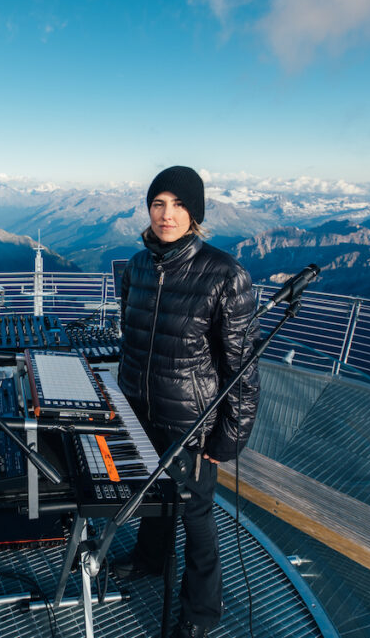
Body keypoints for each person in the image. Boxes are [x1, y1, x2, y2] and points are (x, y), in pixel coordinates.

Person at [113, 165, 259, 638]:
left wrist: (230, 436)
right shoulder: (137, 266)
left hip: (192, 421)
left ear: (194, 213)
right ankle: (149, 560)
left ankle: (199, 615)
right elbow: (131, 335)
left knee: (196, 517)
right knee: (151, 495)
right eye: (158, 203)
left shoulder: (225, 274)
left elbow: (243, 367)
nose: (166, 214)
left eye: (178, 205)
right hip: (140, 406)